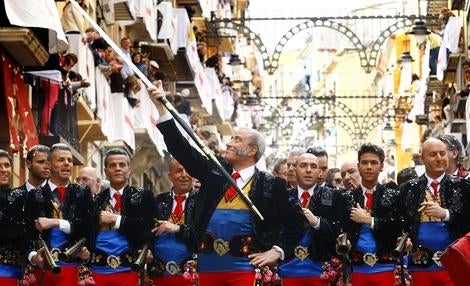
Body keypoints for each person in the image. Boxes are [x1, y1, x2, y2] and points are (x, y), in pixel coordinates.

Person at [149, 83, 306, 286]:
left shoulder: (271, 185)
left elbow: (297, 222)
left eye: (237, 140)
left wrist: (276, 251)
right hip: (207, 266)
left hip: (244, 268)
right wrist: (161, 108)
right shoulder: (214, 171)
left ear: (251, 151)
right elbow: (181, 149)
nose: (230, 143)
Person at [400, 138, 470, 286]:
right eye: (433, 154)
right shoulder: (408, 188)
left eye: (442, 153)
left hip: (454, 262)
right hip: (420, 263)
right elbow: (402, 221)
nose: (439, 158)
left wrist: (445, 214)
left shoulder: (463, 185)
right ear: (422, 158)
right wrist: (404, 238)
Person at [24, 143, 94, 286]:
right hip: (43, 270)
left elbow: (88, 226)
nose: (67, 164)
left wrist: (56, 222)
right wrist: (33, 256)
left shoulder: (83, 193)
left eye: (69, 160)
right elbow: (25, 232)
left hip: (73, 268)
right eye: (61, 160)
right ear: (49, 164)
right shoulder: (34, 194)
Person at [280, 153, 352, 285]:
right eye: (303, 166)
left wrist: (318, 222)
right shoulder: (283, 197)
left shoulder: (335, 196)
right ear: (295, 170)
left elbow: (342, 231)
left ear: (319, 172)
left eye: (313, 166)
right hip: (287, 269)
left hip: (321, 271)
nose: (308, 170)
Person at [90, 148, 156, 286]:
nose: (117, 169)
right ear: (105, 171)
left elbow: (147, 227)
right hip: (98, 269)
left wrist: (116, 219)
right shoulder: (95, 200)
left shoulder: (144, 196)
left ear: (129, 169)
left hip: (129, 268)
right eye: (112, 165)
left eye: (122, 165)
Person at [348, 144, 403, 286]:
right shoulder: (346, 197)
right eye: (365, 163)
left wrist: (369, 220)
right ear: (358, 166)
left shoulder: (393, 195)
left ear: (382, 166)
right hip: (356, 268)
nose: (369, 167)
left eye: (374, 163)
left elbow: (397, 225)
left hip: (384, 267)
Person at [150, 158, 197, 285]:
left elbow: (203, 234)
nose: (184, 175)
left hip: (191, 275)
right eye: (179, 171)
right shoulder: (157, 201)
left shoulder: (202, 203)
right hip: (158, 275)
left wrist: (177, 228)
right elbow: (147, 232)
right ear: (170, 176)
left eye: (188, 170)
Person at [0, 150, 29, 285]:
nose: (3, 170)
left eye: (7, 165)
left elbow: (19, 233)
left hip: (11, 272)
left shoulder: (19, 196)